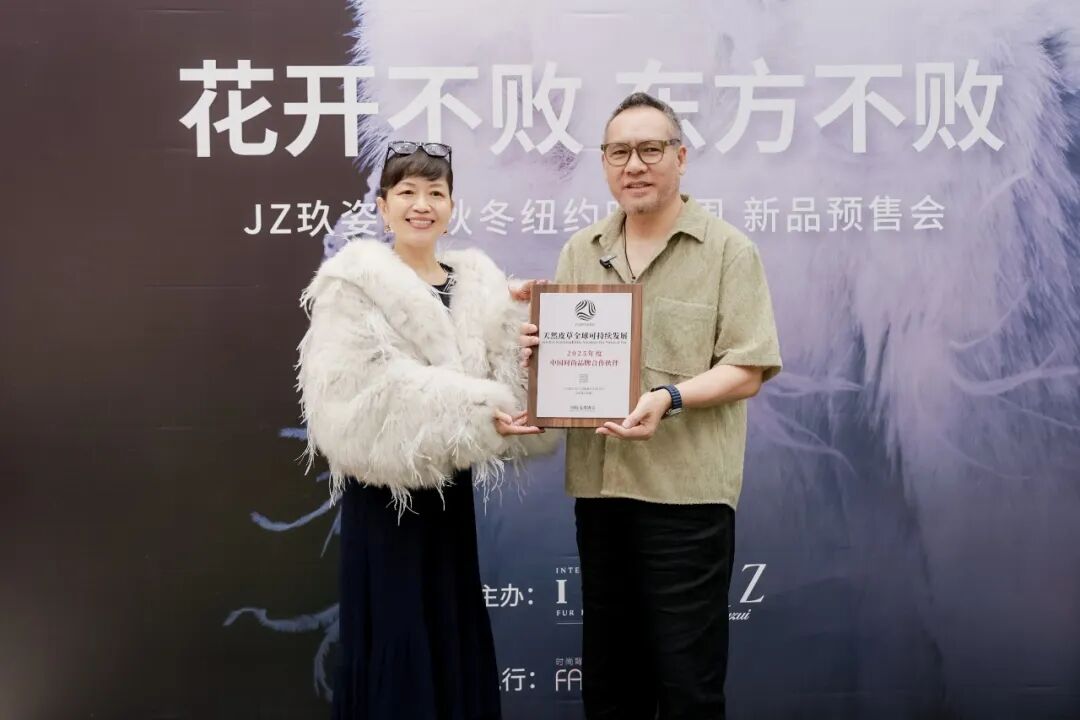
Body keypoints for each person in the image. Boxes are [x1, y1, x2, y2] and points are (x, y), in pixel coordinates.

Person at [520, 93, 783, 719]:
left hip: (685, 499)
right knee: (611, 685)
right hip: (602, 495)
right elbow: (565, 365)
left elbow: (748, 367)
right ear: (604, 163)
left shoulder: (727, 251)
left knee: (689, 686)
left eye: (649, 149)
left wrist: (670, 397)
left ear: (680, 157)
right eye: (618, 152)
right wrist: (534, 358)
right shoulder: (581, 251)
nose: (633, 165)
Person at [297, 140, 553, 720]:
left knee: (448, 627)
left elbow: (503, 380)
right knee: (396, 637)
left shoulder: (478, 284)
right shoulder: (352, 284)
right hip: (383, 498)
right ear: (383, 206)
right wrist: (473, 409)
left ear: (452, 207)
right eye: (407, 192)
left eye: (435, 193)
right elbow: (362, 396)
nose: (422, 205)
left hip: (447, 498)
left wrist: (522, 337)